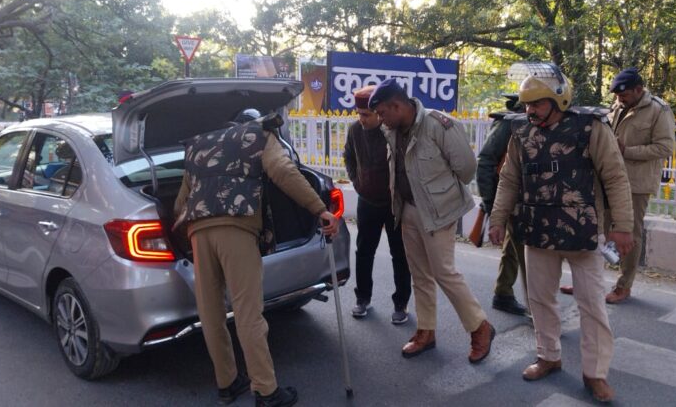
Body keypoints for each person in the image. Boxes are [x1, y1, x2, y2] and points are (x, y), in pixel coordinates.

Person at [173, 108, 339, 407]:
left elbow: (181, 202)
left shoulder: (200, 144)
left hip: (198, 231)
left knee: (210, 313)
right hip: (236, 228)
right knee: (248, 312)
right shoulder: (259, 134)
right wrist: (319, 209)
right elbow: (285, 172)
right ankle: (265, 390)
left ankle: (227, 383)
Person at [488, 63, 634, 403]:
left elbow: (615, 177)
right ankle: (548, 356)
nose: (530, 110)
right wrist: (497, 219)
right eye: (527, 104)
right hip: (537, 231)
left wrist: (623, 227)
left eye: (538, 103)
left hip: (584, 232)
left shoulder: (590, 127)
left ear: (559, 99)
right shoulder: (520, 131)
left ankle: (595, 373)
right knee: (540, 300)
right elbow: (509, 179)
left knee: (592, 306)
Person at [368, 78, 496, 364]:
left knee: (444, 273)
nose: (380, 119)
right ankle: (426, 331)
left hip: (438, 211)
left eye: (383, 113)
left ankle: (480, 327)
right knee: (420, 275)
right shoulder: (392, 130)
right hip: (407, 209)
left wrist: (441, 193)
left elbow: (466, 169)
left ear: (397, 105)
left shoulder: (438, 124)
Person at [560, 69, 676, 304]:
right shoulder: (616, 106)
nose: (619, 99)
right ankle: (588, 281)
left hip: (636, 183)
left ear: (638, 90)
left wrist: (627, 151)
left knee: (629, 234)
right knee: (596, 230)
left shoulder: (659, 110)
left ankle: (623, 286)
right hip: (608, 180)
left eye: (624, 95)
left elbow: (665, 147)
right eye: (617, 95)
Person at [343, 85, 412, 324]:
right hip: (367, 202)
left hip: (394, 204)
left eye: (366, 115)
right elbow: (349, 157)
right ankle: (362, 299)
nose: (361, 119)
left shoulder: (392, 131)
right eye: (359, 114)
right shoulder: (354, 130)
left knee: (399, 254)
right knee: (364, 252)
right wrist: (357, 182)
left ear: (378, 113)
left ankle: (401, 304)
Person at [476, 93, 528, 316]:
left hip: (525, 198)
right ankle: (540, 312)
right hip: (509, 198)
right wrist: (490, 202)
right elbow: (485, 161)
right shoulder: (508, 124)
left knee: (514, 246)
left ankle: (503, 293)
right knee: (526, 255)